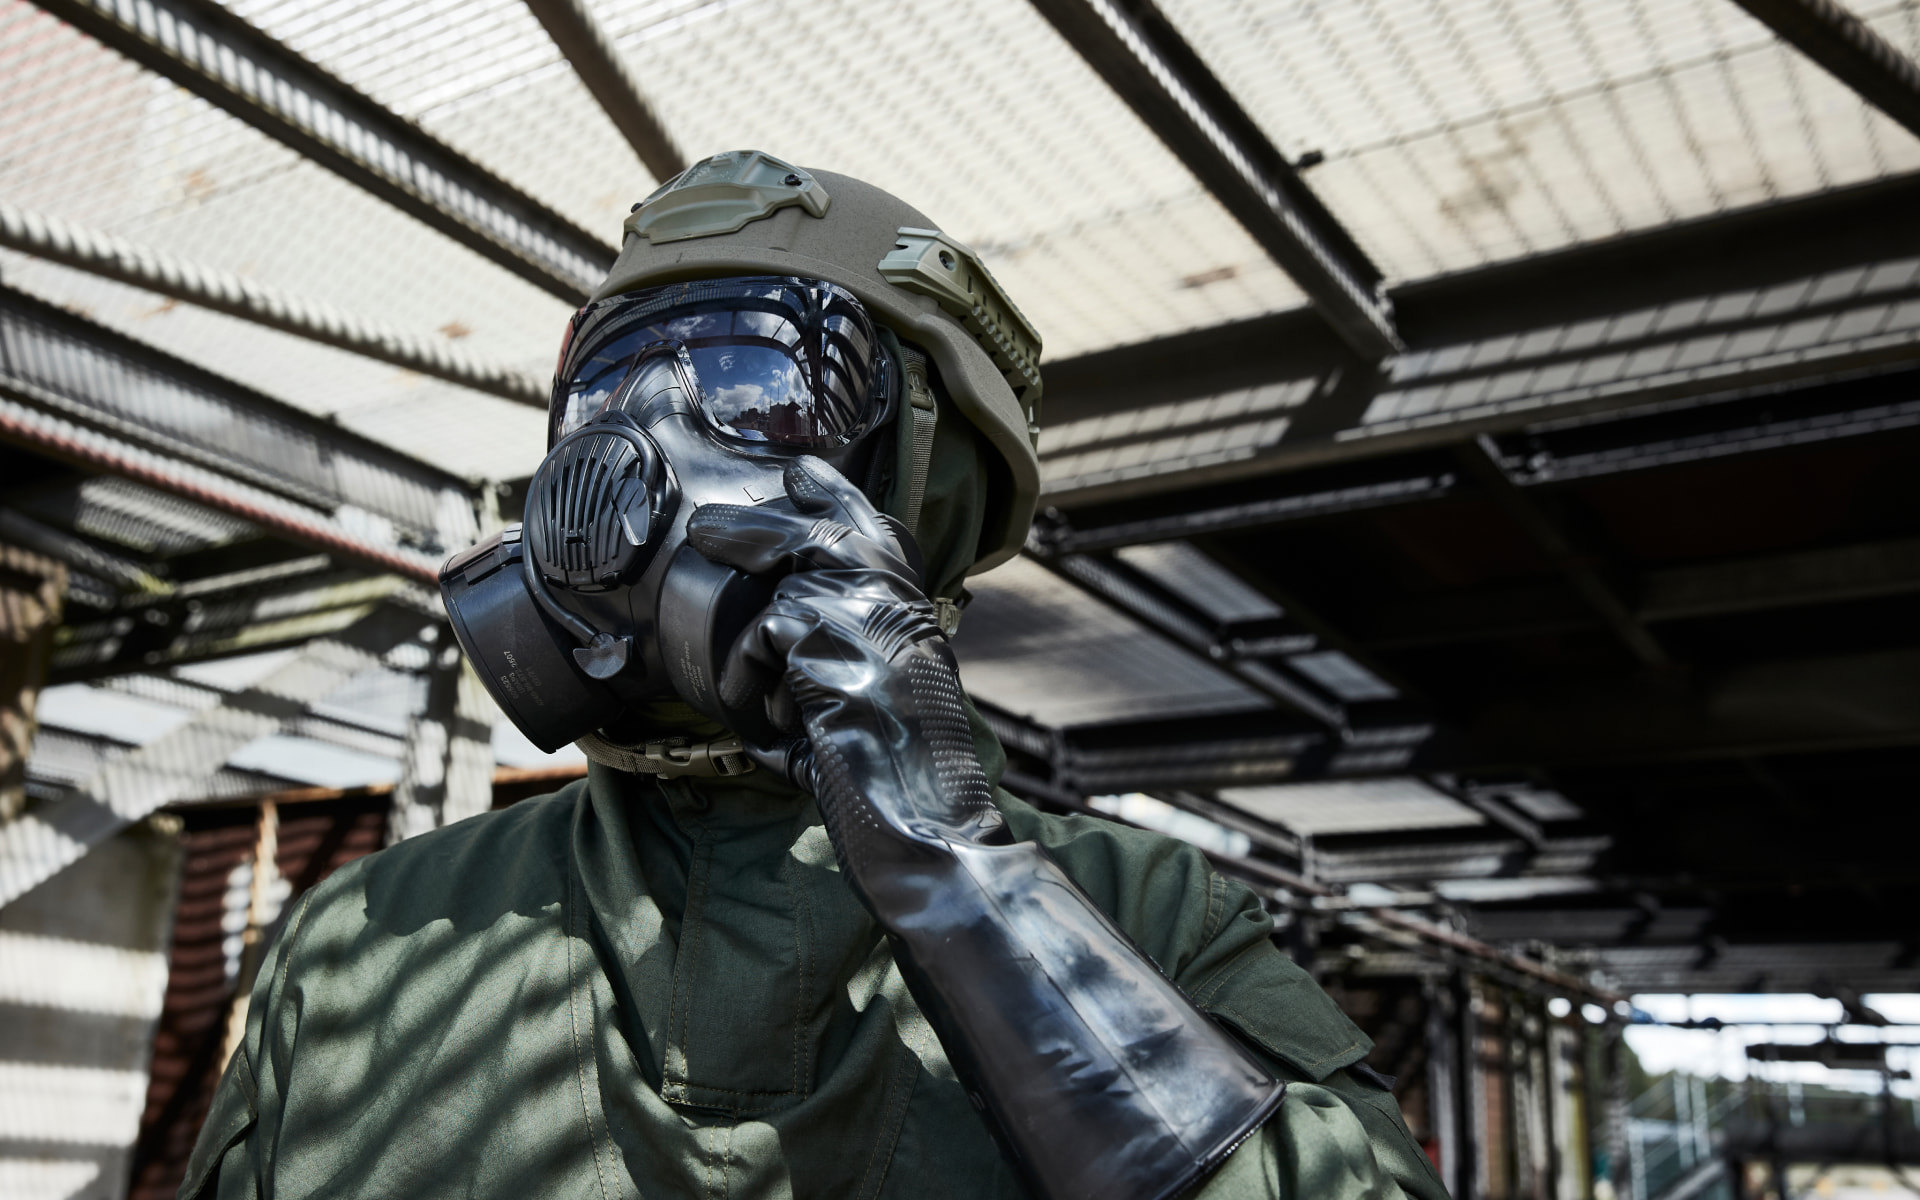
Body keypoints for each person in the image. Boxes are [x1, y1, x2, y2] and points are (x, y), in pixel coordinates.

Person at [181, 150, 1452, 1200]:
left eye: (750, 384)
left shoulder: (1141, 915)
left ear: (926, 491)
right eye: (609, 392)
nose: (647, 454)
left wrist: (967, 883)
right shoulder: (363, 940)